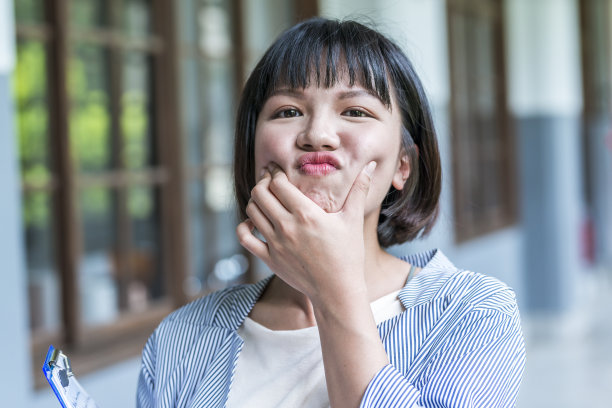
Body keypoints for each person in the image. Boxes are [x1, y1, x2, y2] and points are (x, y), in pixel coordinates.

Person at [137, 18, 525, 408]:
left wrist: (333, 289)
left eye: (355, 111)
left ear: (402, 165)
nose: (317, 134)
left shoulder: (474, 314)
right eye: (288, 111)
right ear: (254, 153)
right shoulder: (182, 336)